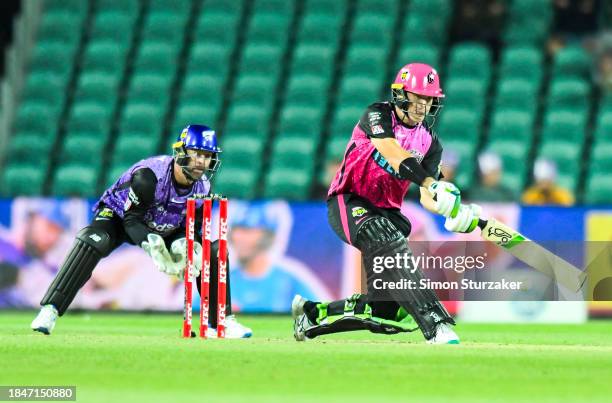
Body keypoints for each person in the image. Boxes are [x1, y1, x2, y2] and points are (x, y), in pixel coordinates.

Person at [292, 63, 482, 344]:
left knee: (386, 312)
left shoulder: (430, 143)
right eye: (417, 97)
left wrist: (450, 208)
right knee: (384, 235)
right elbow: (392, 152)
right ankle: (436, 323)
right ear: (401, 94)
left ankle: (312, 313)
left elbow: (428, 197)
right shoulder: (377, 114)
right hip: (349, 200)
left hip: (388, 213)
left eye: (428, 99)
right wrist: (431, 183)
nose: (422, 105)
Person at [30, 124, 252, 338]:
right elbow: (132, 220)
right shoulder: (149, 177)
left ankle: (222, 322)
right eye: (197, 154)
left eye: (207, 156)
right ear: (181, 151)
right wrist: (154, 248)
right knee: (92, 240)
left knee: (212, 251)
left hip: (168, 225)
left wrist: (188, 248)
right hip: (121, 217)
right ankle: (50, 310)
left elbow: (194, 230)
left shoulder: (203, 187)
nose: (201, 162)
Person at [228, 201, 330, 312]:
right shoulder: (226, 280)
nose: (238, 237)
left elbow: (321, 312)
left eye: (247, 230)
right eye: (236, 230)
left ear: (268, 236)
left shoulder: (289, 280)